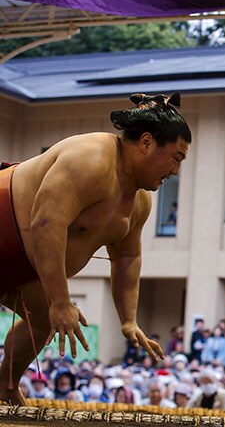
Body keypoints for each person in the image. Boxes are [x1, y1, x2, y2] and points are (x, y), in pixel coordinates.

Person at [0, 93, 190, 405]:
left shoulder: (140, 201)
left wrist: (128, 319)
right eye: (177, 157)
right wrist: (60, 301)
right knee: (51, 314)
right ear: (146, 143)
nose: (175, 170)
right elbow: (46, 223)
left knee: (43, 320)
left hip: (24, 266)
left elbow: (127, 257)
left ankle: (4, 385)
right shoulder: (90, 157)